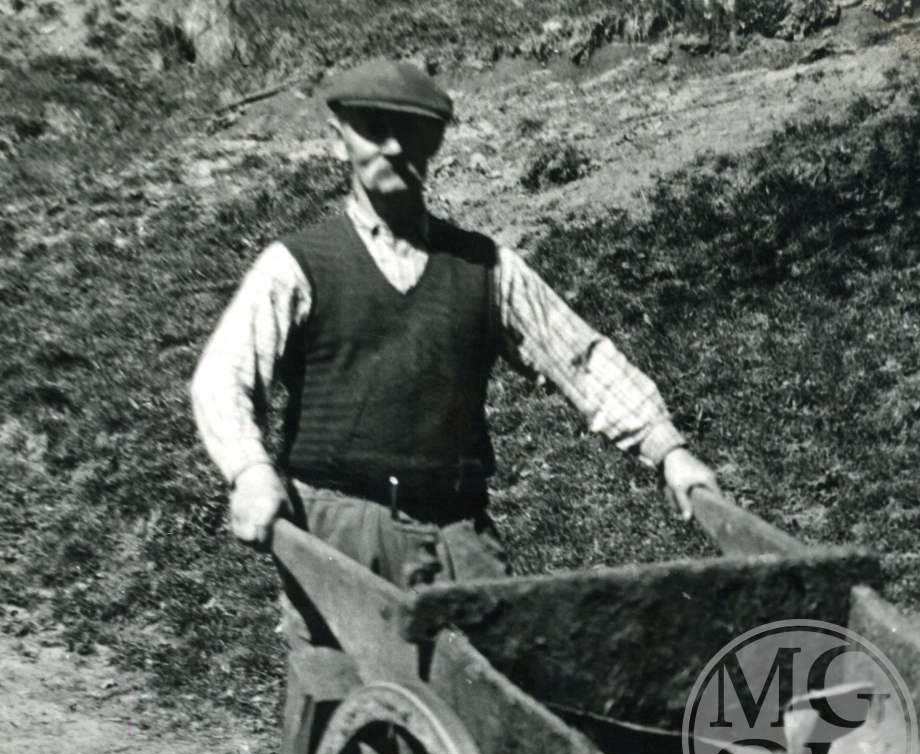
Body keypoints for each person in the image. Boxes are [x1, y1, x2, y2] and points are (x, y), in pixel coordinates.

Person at [191, 56, 718, 617]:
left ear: (435, 142)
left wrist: (670, 451)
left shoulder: (484, 268)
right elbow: (222, 378)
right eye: (373, 129)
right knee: (343, 696)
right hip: (338, 536)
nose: (393, 147)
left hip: (457, 534)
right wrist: (250, 473)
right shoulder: (297, 266)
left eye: (412, 132)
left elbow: (583, 360)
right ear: (339, 140)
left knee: (496, 693)